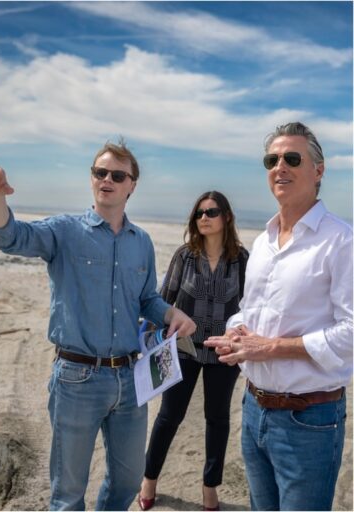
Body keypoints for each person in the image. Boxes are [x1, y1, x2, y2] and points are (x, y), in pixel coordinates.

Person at [0, 139, 196, 511]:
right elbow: (9, 237)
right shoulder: (65, 231)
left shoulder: (141, 241)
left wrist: (171, 314)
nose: (107, 179)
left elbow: (145, 300)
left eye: (117, 175)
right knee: (69, 492)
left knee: (127, 480)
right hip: (77, 379)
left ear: (131, 185)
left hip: (129, 379)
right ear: (92, 179)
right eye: (100, 172)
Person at [204, 122, 352, 511]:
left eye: (292, 158)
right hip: (254, 410)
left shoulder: (342, 241)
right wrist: (237, 332)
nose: (279, 166)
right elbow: (252, 309)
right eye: (272, 159)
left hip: (309, 419)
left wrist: (270, 347)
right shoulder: (263, 241)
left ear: (318, 170)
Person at [138, 191, 249, 511]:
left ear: (226, 217)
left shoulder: (242, 260)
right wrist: (148, 342)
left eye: (212, 212)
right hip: (182, 350)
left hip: (223, 354)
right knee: (169, 416)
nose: (204, 217)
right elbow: (162, 301)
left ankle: (209, 488)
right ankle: (149, 480)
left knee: (217, 419)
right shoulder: (184, 256)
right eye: (199, 213)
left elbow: (251, 307)